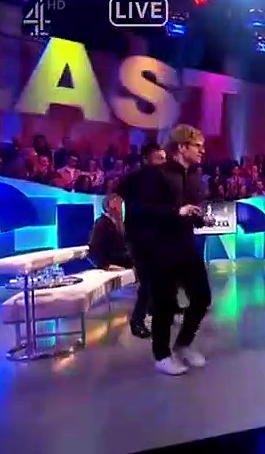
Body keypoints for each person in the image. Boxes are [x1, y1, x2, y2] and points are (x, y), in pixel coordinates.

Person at [122, 126, 214, 375]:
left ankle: (183, 345)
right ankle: (162, 355)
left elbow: (189, 210)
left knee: (202, 297)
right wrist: (176, 212)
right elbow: (143, 212)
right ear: (182, 147)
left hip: (185, 245)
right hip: (158, 248)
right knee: (165, 303)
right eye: (197, 146)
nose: (202, 151)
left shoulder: (194, 175)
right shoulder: (155, 175)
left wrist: (199, 218)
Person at [116, 141, 168, 339]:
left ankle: (154, 312)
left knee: (157, 278)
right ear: (146, 158)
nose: (162, 159)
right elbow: (114, 198)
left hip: (157, 235)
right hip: (139, 236)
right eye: (158, 156)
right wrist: (120, 223)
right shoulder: (134, 178)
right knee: (147, 280)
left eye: (163, 156)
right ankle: (137, 320)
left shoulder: (165, 178)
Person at [88, 193, 132, 271]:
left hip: (125, 265)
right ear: (110, 205)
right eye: (119, 202)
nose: (121, 207)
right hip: (113, 267)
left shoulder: (118, 224)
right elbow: (94, 250)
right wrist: (106, 266)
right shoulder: (102, 224)